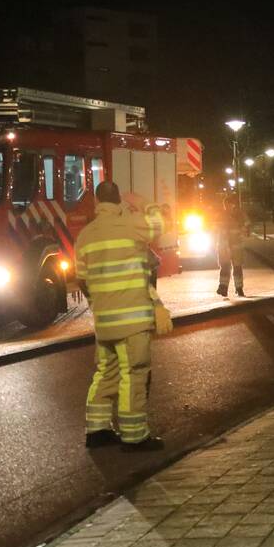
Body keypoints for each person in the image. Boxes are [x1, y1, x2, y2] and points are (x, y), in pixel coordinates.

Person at [75, 181, 166, 451]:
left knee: (106, 372)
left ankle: (97, 430)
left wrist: (99, 304)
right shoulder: (131, 225)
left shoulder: (85, 235)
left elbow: (81, 279)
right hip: (133, 320)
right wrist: (145, 203)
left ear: (96, 202)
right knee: (134, 374)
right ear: (118, 201)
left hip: (104, 321)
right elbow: (160, 224)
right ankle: (134, 435)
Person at [216, 195, 250, 297]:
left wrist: (243, 230)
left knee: (235, 267)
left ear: (232, 205)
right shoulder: (231, 215)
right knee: (227, 267)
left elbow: (247, 228)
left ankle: (237, 288)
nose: (226, 206)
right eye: (225, 205)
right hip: (229, 246)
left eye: (228, 204)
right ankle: (224, 287)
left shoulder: (235, 215)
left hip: (232, 246)